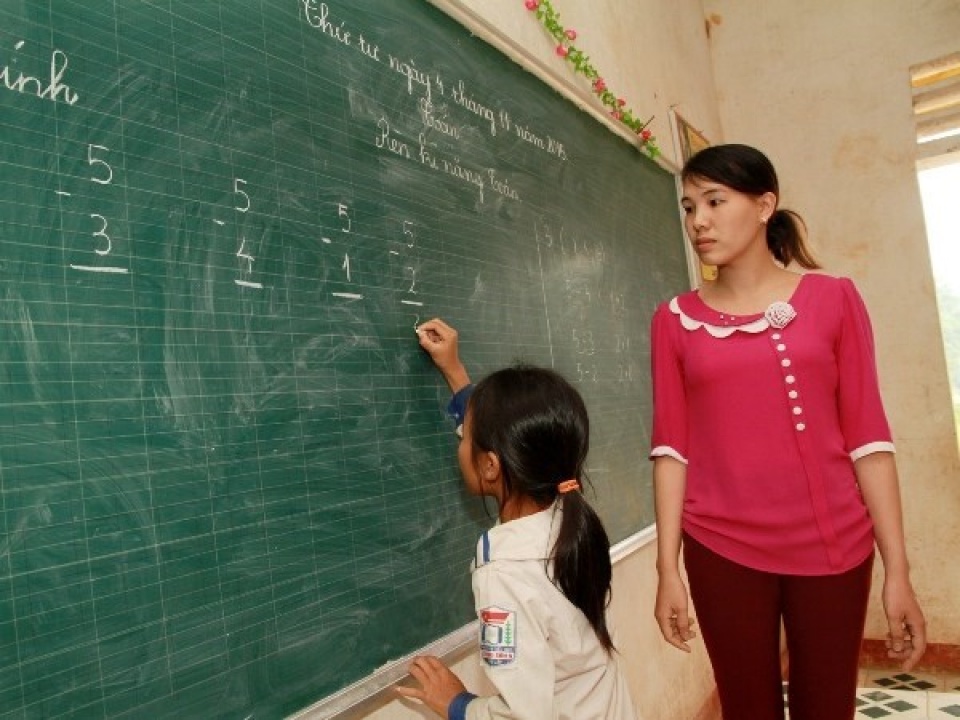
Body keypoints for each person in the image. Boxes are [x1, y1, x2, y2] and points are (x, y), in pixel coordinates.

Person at [649, 143, 926, 720]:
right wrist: (666, 569)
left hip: (836, 546)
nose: (698, 220)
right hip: (718, 546)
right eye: (688, 206)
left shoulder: (835, 299)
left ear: (764, 205)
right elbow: (671, 450)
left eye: (714, 201)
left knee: (826, 708)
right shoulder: (674, 319)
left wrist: (897, 568)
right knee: (747, 709)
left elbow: (869, 439)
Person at [396, 317, 637, 720]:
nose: (461, 442)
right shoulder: (570, 517)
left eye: (467, 436)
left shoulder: (504, 572)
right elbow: (510, 437)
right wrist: (455, 373)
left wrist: (457, 705)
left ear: (490, 465)